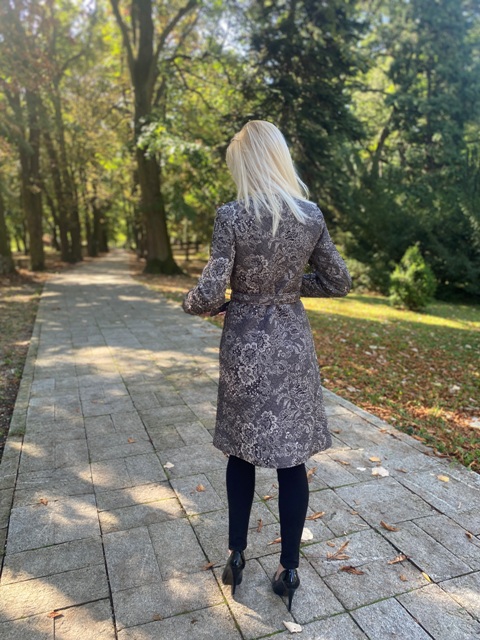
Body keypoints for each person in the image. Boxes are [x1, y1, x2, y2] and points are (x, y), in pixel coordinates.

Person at [182, 120, 351, 611]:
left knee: (242, 452)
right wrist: (291, 288)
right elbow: (338, 281)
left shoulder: (231, 216)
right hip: (292, 345)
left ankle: (236, 555)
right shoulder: (310, 215)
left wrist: (194, 302)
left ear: (244, 164)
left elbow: (210, 292)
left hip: (245, 347)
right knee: (291, 459)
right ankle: (289, 569)